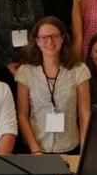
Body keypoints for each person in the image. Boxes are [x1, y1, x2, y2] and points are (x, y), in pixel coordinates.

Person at [15, 16, 91, 155]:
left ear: (62, 39)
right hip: (36, 149)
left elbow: (84, 114)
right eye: (44, 37)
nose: (50, 42)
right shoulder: (25, 72)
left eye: (55, 36)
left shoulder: (79, 70)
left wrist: (85, 151)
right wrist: (35, 149)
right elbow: (22, 115)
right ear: (37, 41)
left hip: (70, 146)